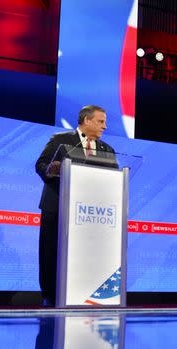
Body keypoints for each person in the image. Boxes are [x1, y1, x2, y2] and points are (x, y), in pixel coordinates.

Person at [34, 105, 118, 305]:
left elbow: (115, 179)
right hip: (58, 208)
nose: (104, 126)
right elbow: (41, 165)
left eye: (105, 122)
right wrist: (51, 170)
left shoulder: (107, 150)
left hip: (91, 214)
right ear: (86, 120)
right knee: (51, 253)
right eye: (100, 121)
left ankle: (85, 294)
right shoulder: (60, 140)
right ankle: (50, 296)